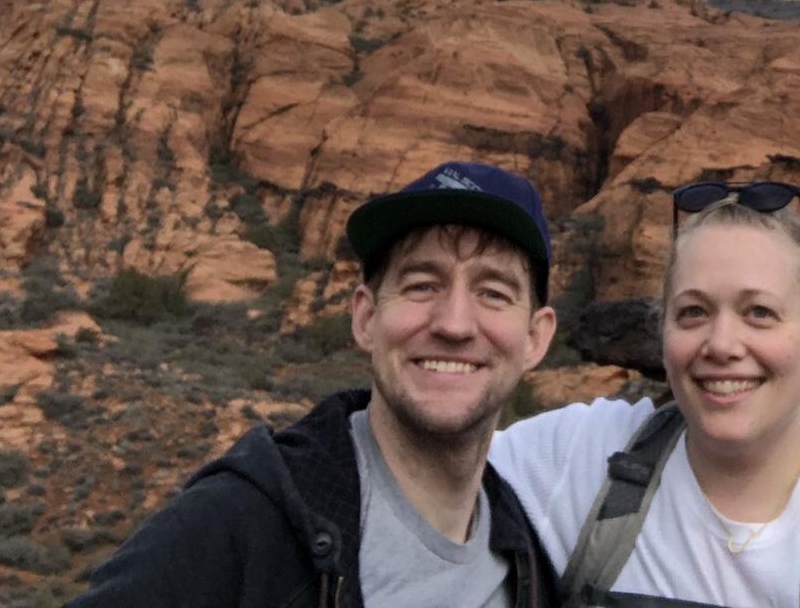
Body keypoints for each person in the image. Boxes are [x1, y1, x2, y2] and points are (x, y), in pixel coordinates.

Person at [70, 161, 560, 608]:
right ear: (366, 318)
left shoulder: (532, 564)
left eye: (493, 293)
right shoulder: (243, 524)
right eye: (421, 285)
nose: (454, 324)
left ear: (535, 338)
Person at [490, 180, 800, 608]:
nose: (722, 345)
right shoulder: (577, 458)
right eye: (693, 312)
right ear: (662, 336)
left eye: (759, 313)